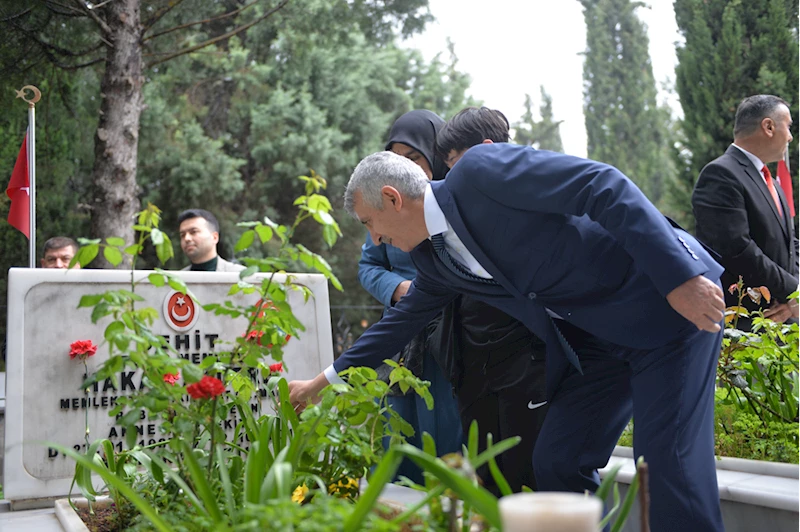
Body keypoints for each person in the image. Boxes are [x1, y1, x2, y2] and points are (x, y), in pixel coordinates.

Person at [290, 142, 726, 531]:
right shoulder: (434, 260)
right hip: (599, 343)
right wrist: (320, 383)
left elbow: (600, 184)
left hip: (668, 304)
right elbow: (399, 324)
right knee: (558, 460)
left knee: (669, 467)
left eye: (370, 222)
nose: (375, 238)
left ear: (392, 198)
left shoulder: (481, 174)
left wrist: (678, 276)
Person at [358, 110, 462, 485]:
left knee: (448, 424)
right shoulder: (386, 208)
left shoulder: (456, 202)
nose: (403, 166)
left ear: (435, 156)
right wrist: (397, 288)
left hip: (453, 329)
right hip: (403, 334)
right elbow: (368, 266)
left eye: (413, 157)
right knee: (397, 426)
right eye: (396, 157)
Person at [693, 94, 798, 328]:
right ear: (768, 127)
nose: (790, 137)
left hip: (783, 322)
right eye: (788, 126)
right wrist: (793, 291)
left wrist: (793, 299)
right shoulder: (721, 174)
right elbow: (736, 249)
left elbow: (789, 245)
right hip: (746, 329)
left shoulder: (774, 184)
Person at [177, 209, 244, 272]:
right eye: (182, 235)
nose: (187, 238)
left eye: (193, 232)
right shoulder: (177, 280)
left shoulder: (238, 275)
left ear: (214, 237)